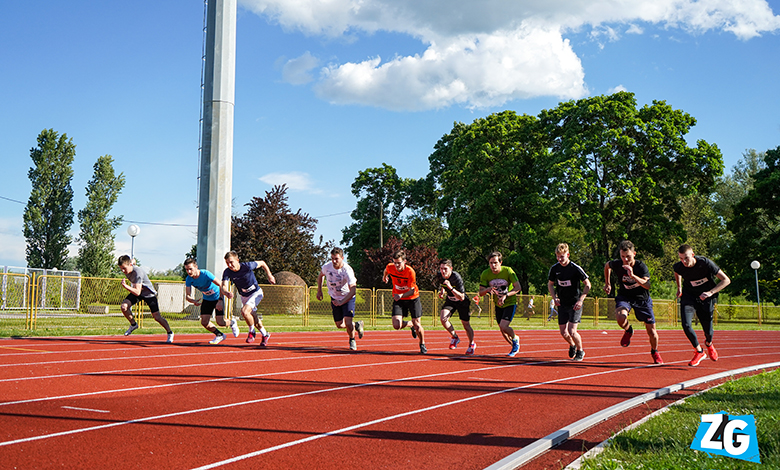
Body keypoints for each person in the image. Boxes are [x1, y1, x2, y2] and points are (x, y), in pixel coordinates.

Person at [604, 240, 663, 364]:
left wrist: (633, 276)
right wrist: (607, 283)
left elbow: (647, 285)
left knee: (651, 331)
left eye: (628, 256)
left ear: (634, 254)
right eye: (623, 257)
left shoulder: (641, 267)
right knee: (620, 317)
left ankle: (655, 351)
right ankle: (628, 330)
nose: (625, 259)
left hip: (642, 299)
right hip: (625, 297)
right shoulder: (618, 264)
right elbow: (607, 266)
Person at [673, 244, 731, 366]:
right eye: (681, 258)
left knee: (708, 331)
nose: (684, 261)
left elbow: (726, 280)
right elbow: (677, 271)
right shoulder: (680, 266)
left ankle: (709, 344)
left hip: (706, 298)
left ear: (693, 255)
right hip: (689, 296)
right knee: (686, 324)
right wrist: (679, 287)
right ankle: (699, 351)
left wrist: (710, 293)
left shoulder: (705, 263)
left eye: (686, 258)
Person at [220, 251, 276, 346]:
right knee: (252, 318)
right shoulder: (227, 272)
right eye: (227, 263)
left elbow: (262, 263)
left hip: (256, 293)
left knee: (245, 311)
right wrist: (226, 292)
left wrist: (269, 275)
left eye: (231, 262)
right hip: (244, 296)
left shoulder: (247, 266)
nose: (230, 265)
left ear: (237, 260)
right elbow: (223, 285)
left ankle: (251, 332)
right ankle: (265, 334)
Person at [547, 243, 591, 361]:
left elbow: (588, 284)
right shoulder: (555, 269)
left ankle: (580, 350)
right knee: (563, 332)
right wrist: (554, 297)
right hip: (562, 303)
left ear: (568, 255)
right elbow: (550, 284)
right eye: (557, 256)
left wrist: (581, 300)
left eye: (562, 256)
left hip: (575, 303)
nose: (559, 259)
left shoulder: (575, 268)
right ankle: (572, 345)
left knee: (572, 330)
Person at [117, 255, 174, 343]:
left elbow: (137, 292)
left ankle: (170, 332)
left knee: (157, 317)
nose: (123, 271)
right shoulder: (130, 265)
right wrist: (133, 261)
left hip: (148, 294)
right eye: (121, 269)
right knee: (124, 307)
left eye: (124, 268)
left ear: (130, 266)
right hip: (139, 292)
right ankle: (133, 324)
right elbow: (132, 261)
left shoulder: (138, 273)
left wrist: (125, 286)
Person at [316, 247, 364, 351]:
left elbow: (353, 290)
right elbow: (321, 275)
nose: (334, 261)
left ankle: (352, 340)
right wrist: (319, 290)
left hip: (348, 297)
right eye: (332, 258)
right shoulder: (327, 267)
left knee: (347, 322)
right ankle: (356, 325)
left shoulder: (347, 270)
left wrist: (342, 301)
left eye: (336, 259)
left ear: (342, 258)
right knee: (339, 324)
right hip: (334, 297)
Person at [184, 258, 239, 345]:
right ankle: (219, 335)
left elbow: (221, 284)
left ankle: (232, 322)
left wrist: (221, 299)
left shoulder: (205, 274)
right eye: (187, 269)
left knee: (220, 322)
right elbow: (187, 295)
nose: (189, 271)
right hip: (207, 299)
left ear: (196, 267)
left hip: (217, 298)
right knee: (204, 322)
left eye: (190, 269)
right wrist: (192, 300)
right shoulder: (188, 279)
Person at [479, 252, 522, 357]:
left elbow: (518, 288)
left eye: (495, 263)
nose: (493, 266)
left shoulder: (508, 271)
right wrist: (488, 289)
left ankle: (515, 339)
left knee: (504, 326)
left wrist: (506, 295)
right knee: (502, 329)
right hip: (497, 304)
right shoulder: (485, 274)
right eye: (490, 263)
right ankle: (513, 345)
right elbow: (480, 293)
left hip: (510, 302)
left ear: (500, 262)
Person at [383, 250, 426, 354]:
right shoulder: (390, 267)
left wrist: (401, 294)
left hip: (412, 298)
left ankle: (422, 343)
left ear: (404, 261)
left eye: (399, 262)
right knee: (396, 325)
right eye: (395, 262)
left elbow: (411, 291)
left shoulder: (410, 271)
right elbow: (386, 270)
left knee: (418, 325)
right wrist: (385, 277)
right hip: (399, 299)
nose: (397, 265)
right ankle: (410, 324)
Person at [436, 259, 475, 354]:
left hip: (462, 301)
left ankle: (471, 344)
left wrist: (450, 287)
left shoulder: (456, 277)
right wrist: (443, 291)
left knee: (465, 324)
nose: (443, 271)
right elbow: (443, 284)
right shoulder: (439, 275)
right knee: (443, 318)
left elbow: (461, 297)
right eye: (441, 269)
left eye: (445, 269)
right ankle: (454, 337)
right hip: (450, 300)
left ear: (451, 269)